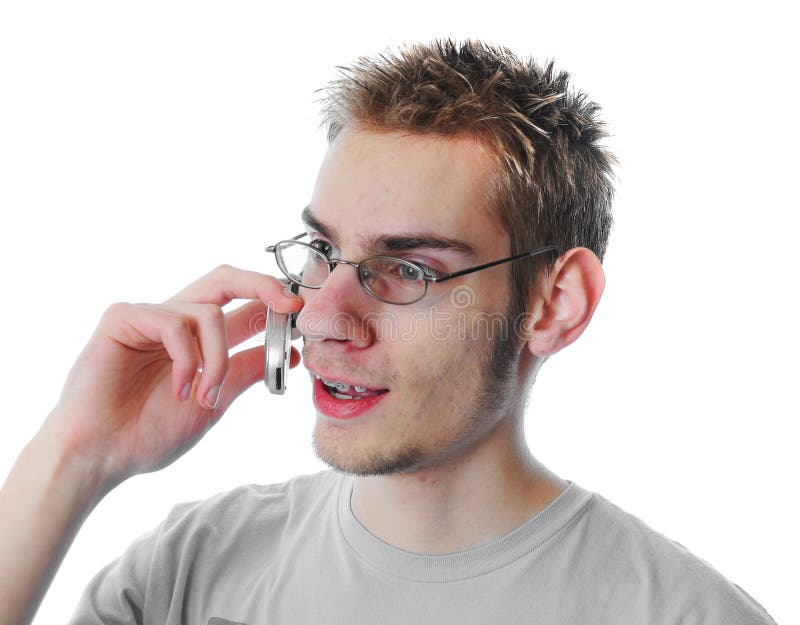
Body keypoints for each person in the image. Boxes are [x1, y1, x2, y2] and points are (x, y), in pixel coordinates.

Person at [0, 39, 777, 625]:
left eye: (408, 269)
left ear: (554, 303)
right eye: (326, 253)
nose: (325, 317)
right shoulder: (187, 572)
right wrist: (74, 453)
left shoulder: (684, 614)